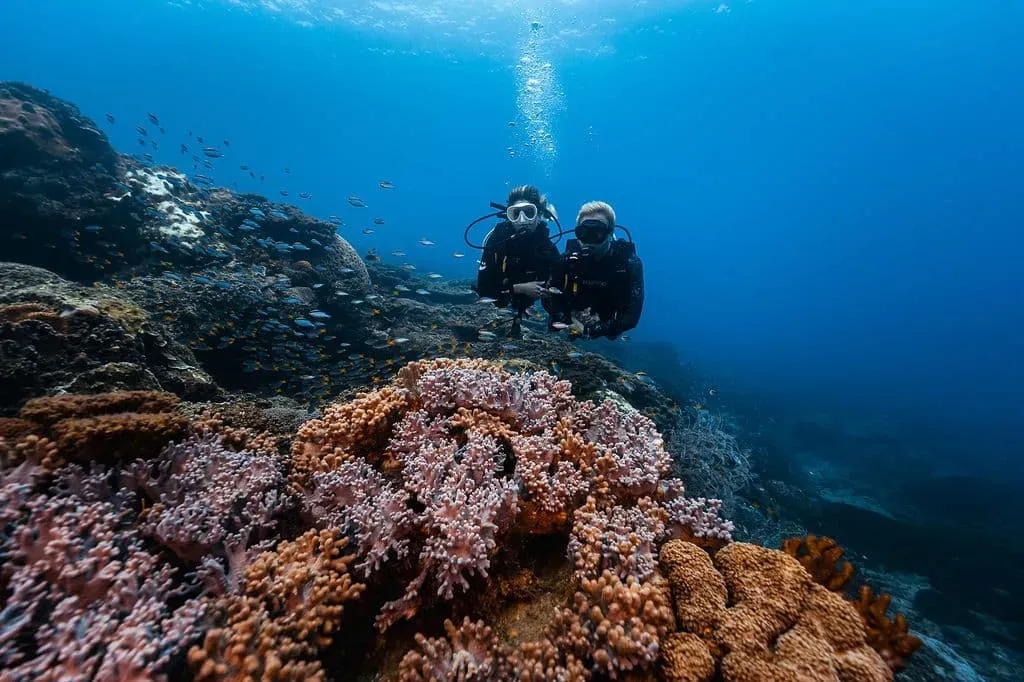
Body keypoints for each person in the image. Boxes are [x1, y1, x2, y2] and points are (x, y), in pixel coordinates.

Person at [545, 201, 644, 341]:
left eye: (597, 232)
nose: (589, 240)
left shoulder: (628, 263)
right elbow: (548, 296)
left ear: (610, 234)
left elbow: (631, 317)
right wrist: (569, 319)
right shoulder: (566, 261)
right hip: (569, 320)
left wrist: (593, 330)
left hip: (608, 324)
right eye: (584, 232)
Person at [476, 185, 561, 335]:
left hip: (528, 300)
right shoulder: (498, 241)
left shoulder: (548, 249)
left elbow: (559, 289)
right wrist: (520, 288)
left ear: (539, 214)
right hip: (499, 297)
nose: (522, 220)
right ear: (509, 216)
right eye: (515, 213)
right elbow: (484, 289)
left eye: (529, 212)